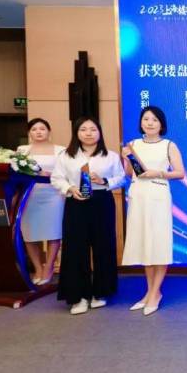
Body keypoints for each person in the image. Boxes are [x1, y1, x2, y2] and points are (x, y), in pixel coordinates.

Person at [51, 117, 125, 315]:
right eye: (83, 129)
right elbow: (56, 178)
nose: (88, 133)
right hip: (76, 202)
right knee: (75, 248)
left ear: (99, 132)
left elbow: (121, 178)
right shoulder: (66, 156)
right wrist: (69, 188)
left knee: (103, 246)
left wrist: (104, 181)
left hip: (101, 201)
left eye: (93, 129)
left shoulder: (110, 156)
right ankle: (79, 296)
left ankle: (101, 292)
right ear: (76, 133)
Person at [121, 106, 185, 316]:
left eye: (154, 120)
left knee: (158, 243)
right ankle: (150, 292)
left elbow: (180, 173)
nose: (150, 123)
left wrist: (157, 173)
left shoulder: (168, 145)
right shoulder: (133, 145)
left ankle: (155, 292)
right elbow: (129, 173)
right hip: (138, 197)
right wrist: (126, 158)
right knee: (144, 244)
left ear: (161, 124)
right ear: (141, 122)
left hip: (158, 196)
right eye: (146, 119)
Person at [17, 118, 65, 285]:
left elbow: (66, 173)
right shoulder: (22, 150)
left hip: (54, 194)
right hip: (29, 195)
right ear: (29, 133)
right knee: (30, 233)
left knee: (54, 231)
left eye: (42, 129)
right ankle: (38, 267)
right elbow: (16, 172)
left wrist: (49, 175)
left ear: (49, 132)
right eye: (34, 129)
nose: (38, 132)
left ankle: (49, 267)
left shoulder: (60, 150)